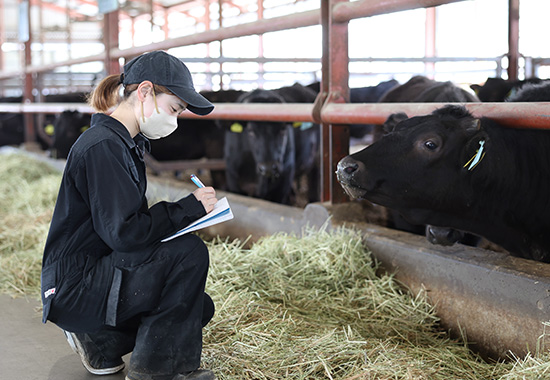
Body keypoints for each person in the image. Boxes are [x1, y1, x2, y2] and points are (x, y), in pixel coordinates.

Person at [40, 51, 218, 380]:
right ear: (146, 92)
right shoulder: (104, 147)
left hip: (91, 276)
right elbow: (124, 233)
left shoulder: (123, 144)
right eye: (175, 108)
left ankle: (101, 342)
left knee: (195, 306)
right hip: (75, 286)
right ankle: (157, 371)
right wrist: (187, 209)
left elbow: (123, 229)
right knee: (190, 254)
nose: (175, 120)